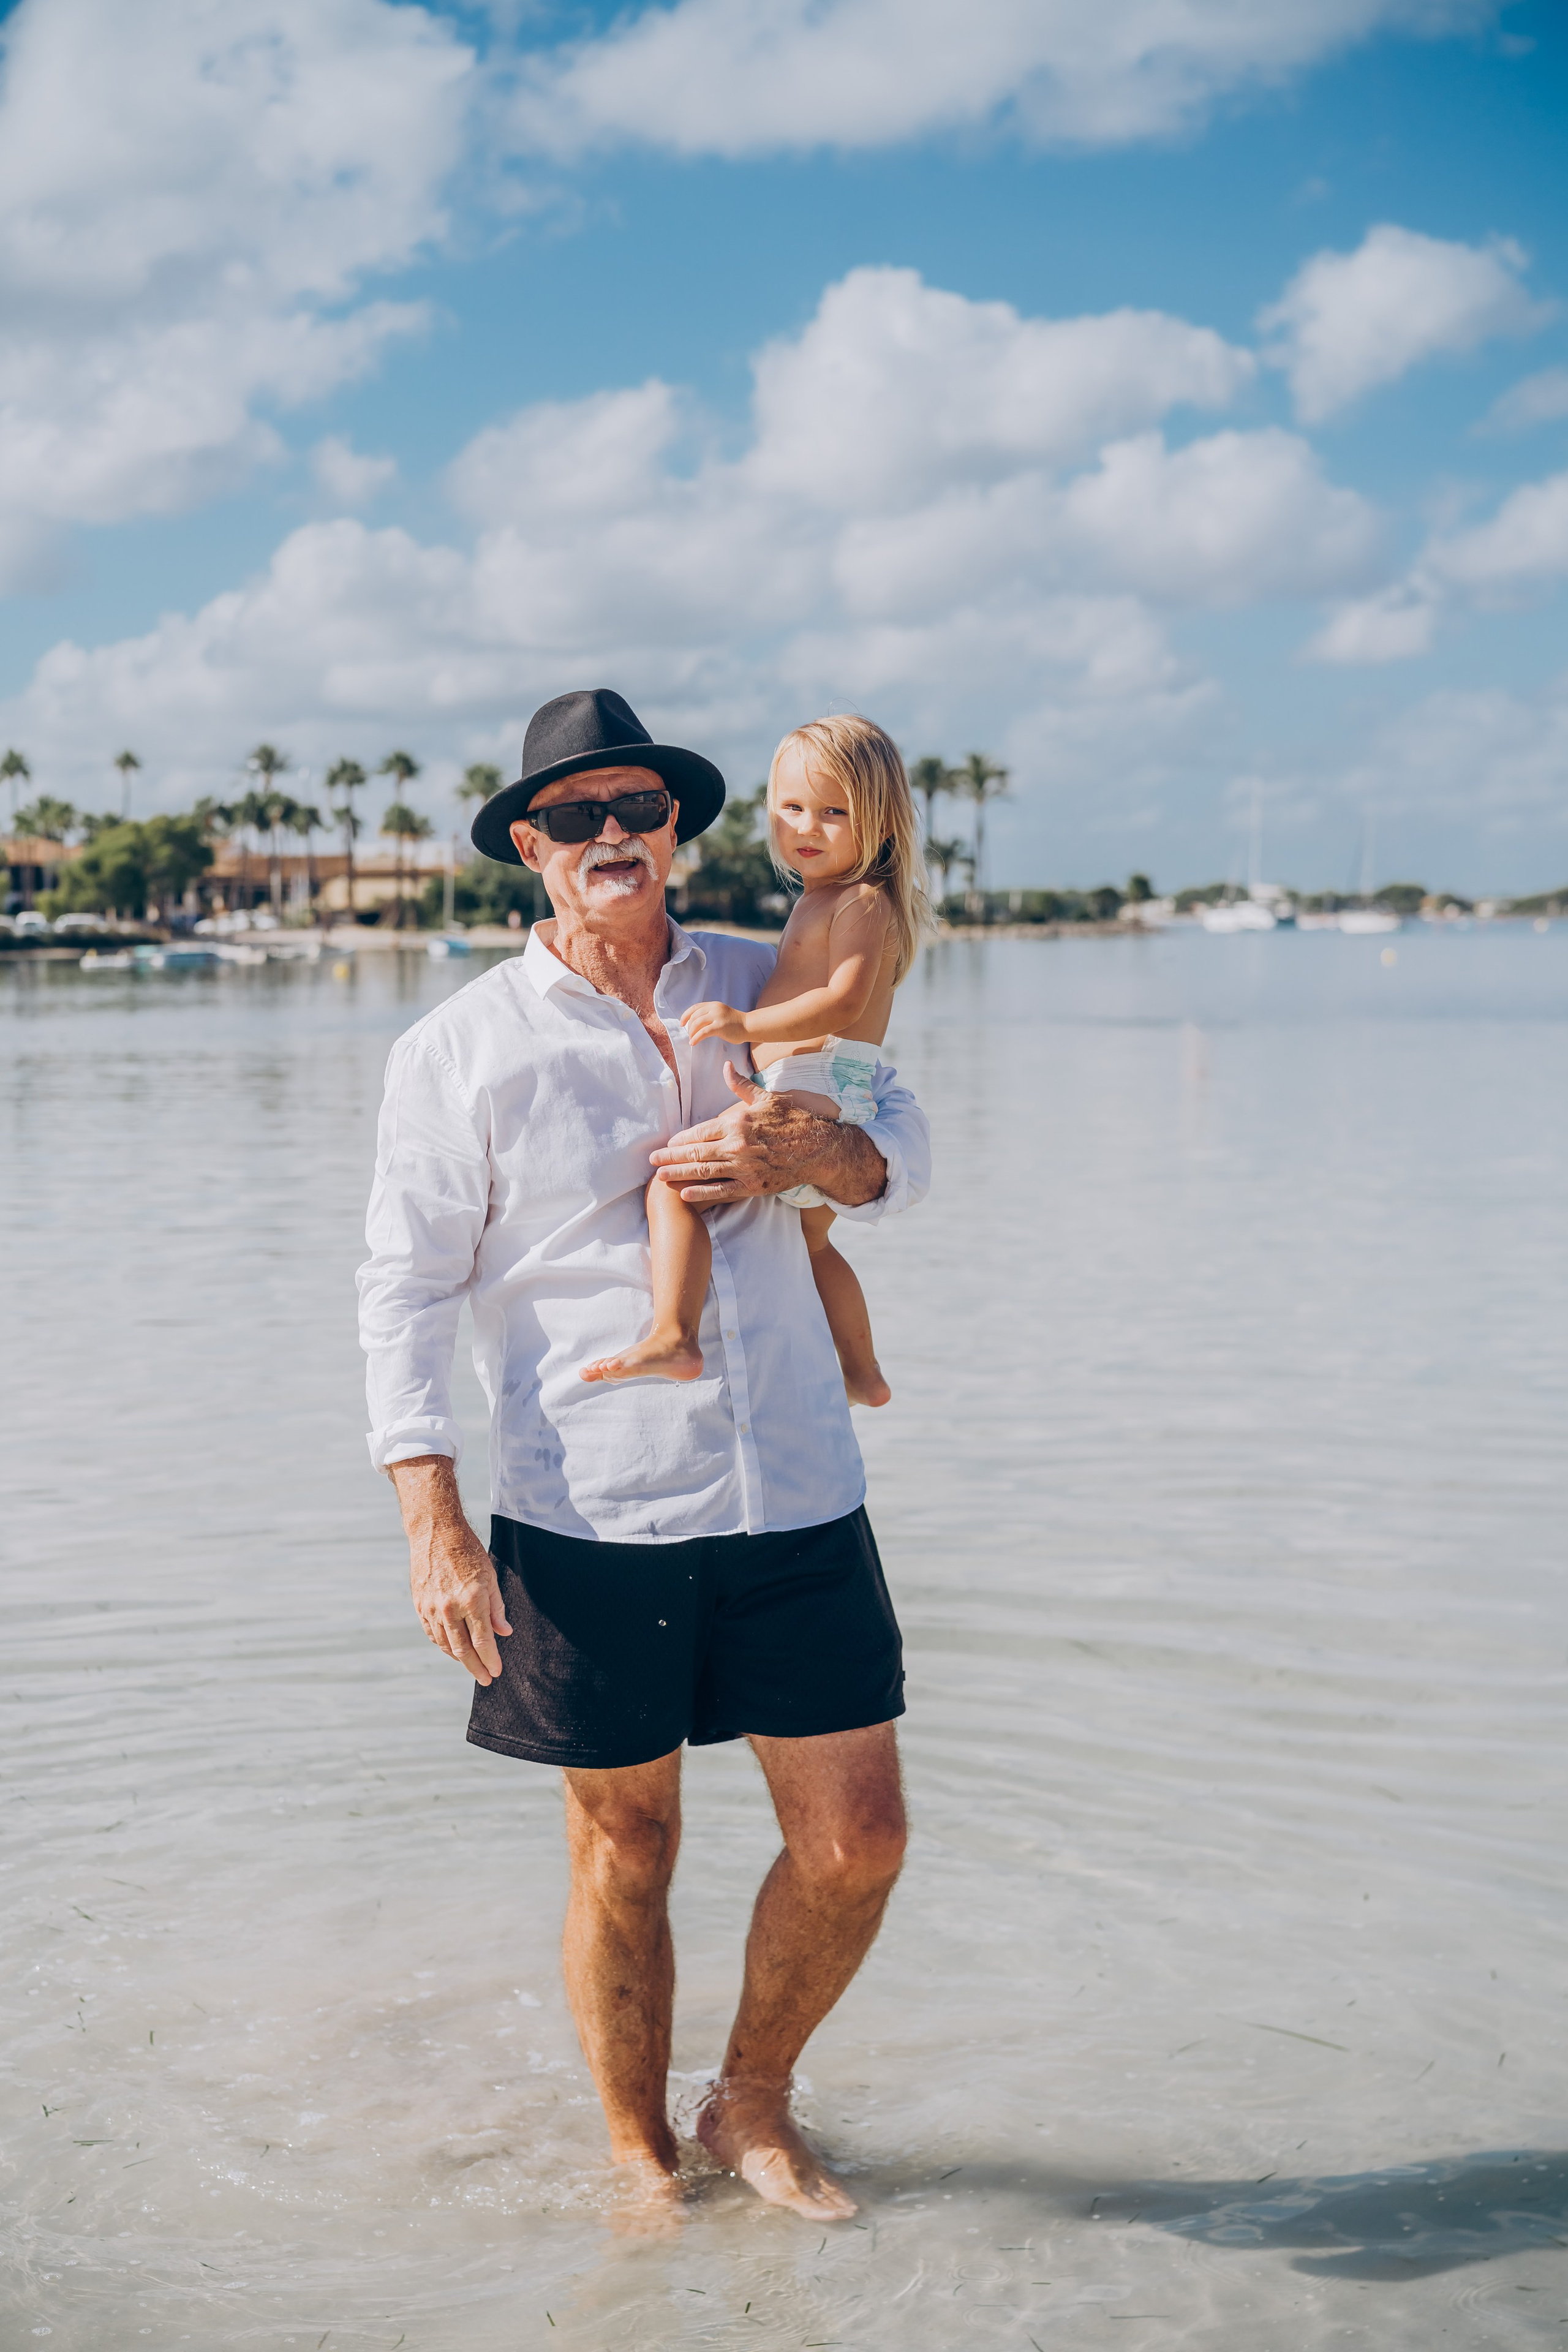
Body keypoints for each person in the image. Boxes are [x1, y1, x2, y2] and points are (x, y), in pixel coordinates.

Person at [356, 688, 930, 2225]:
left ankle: (749, 2094)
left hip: (800, 1488)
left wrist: (818, 1153)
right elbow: (403, 1285)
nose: (612, 836)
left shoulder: (773, 974)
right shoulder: (456, 1047)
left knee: (858, 1837)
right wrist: (429, 1514)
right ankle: (633, 2143)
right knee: (628, 1839)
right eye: (576, 818)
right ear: (528, 847)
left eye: (639, 809)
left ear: (675, 826)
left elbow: (900, 1156)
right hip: (587, 1501)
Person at [579, 714, 929, 1410]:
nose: (808, 827)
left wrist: (745, 1023)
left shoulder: (860, 902)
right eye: (792, 808)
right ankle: (862, 1374)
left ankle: (675, 1333)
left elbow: (840, 1002)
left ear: (883, 824)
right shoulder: (820, 900)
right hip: (808, 1082)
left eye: (835, 813)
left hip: (821, 1083)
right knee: (814, 1247)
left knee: (673, 1184)